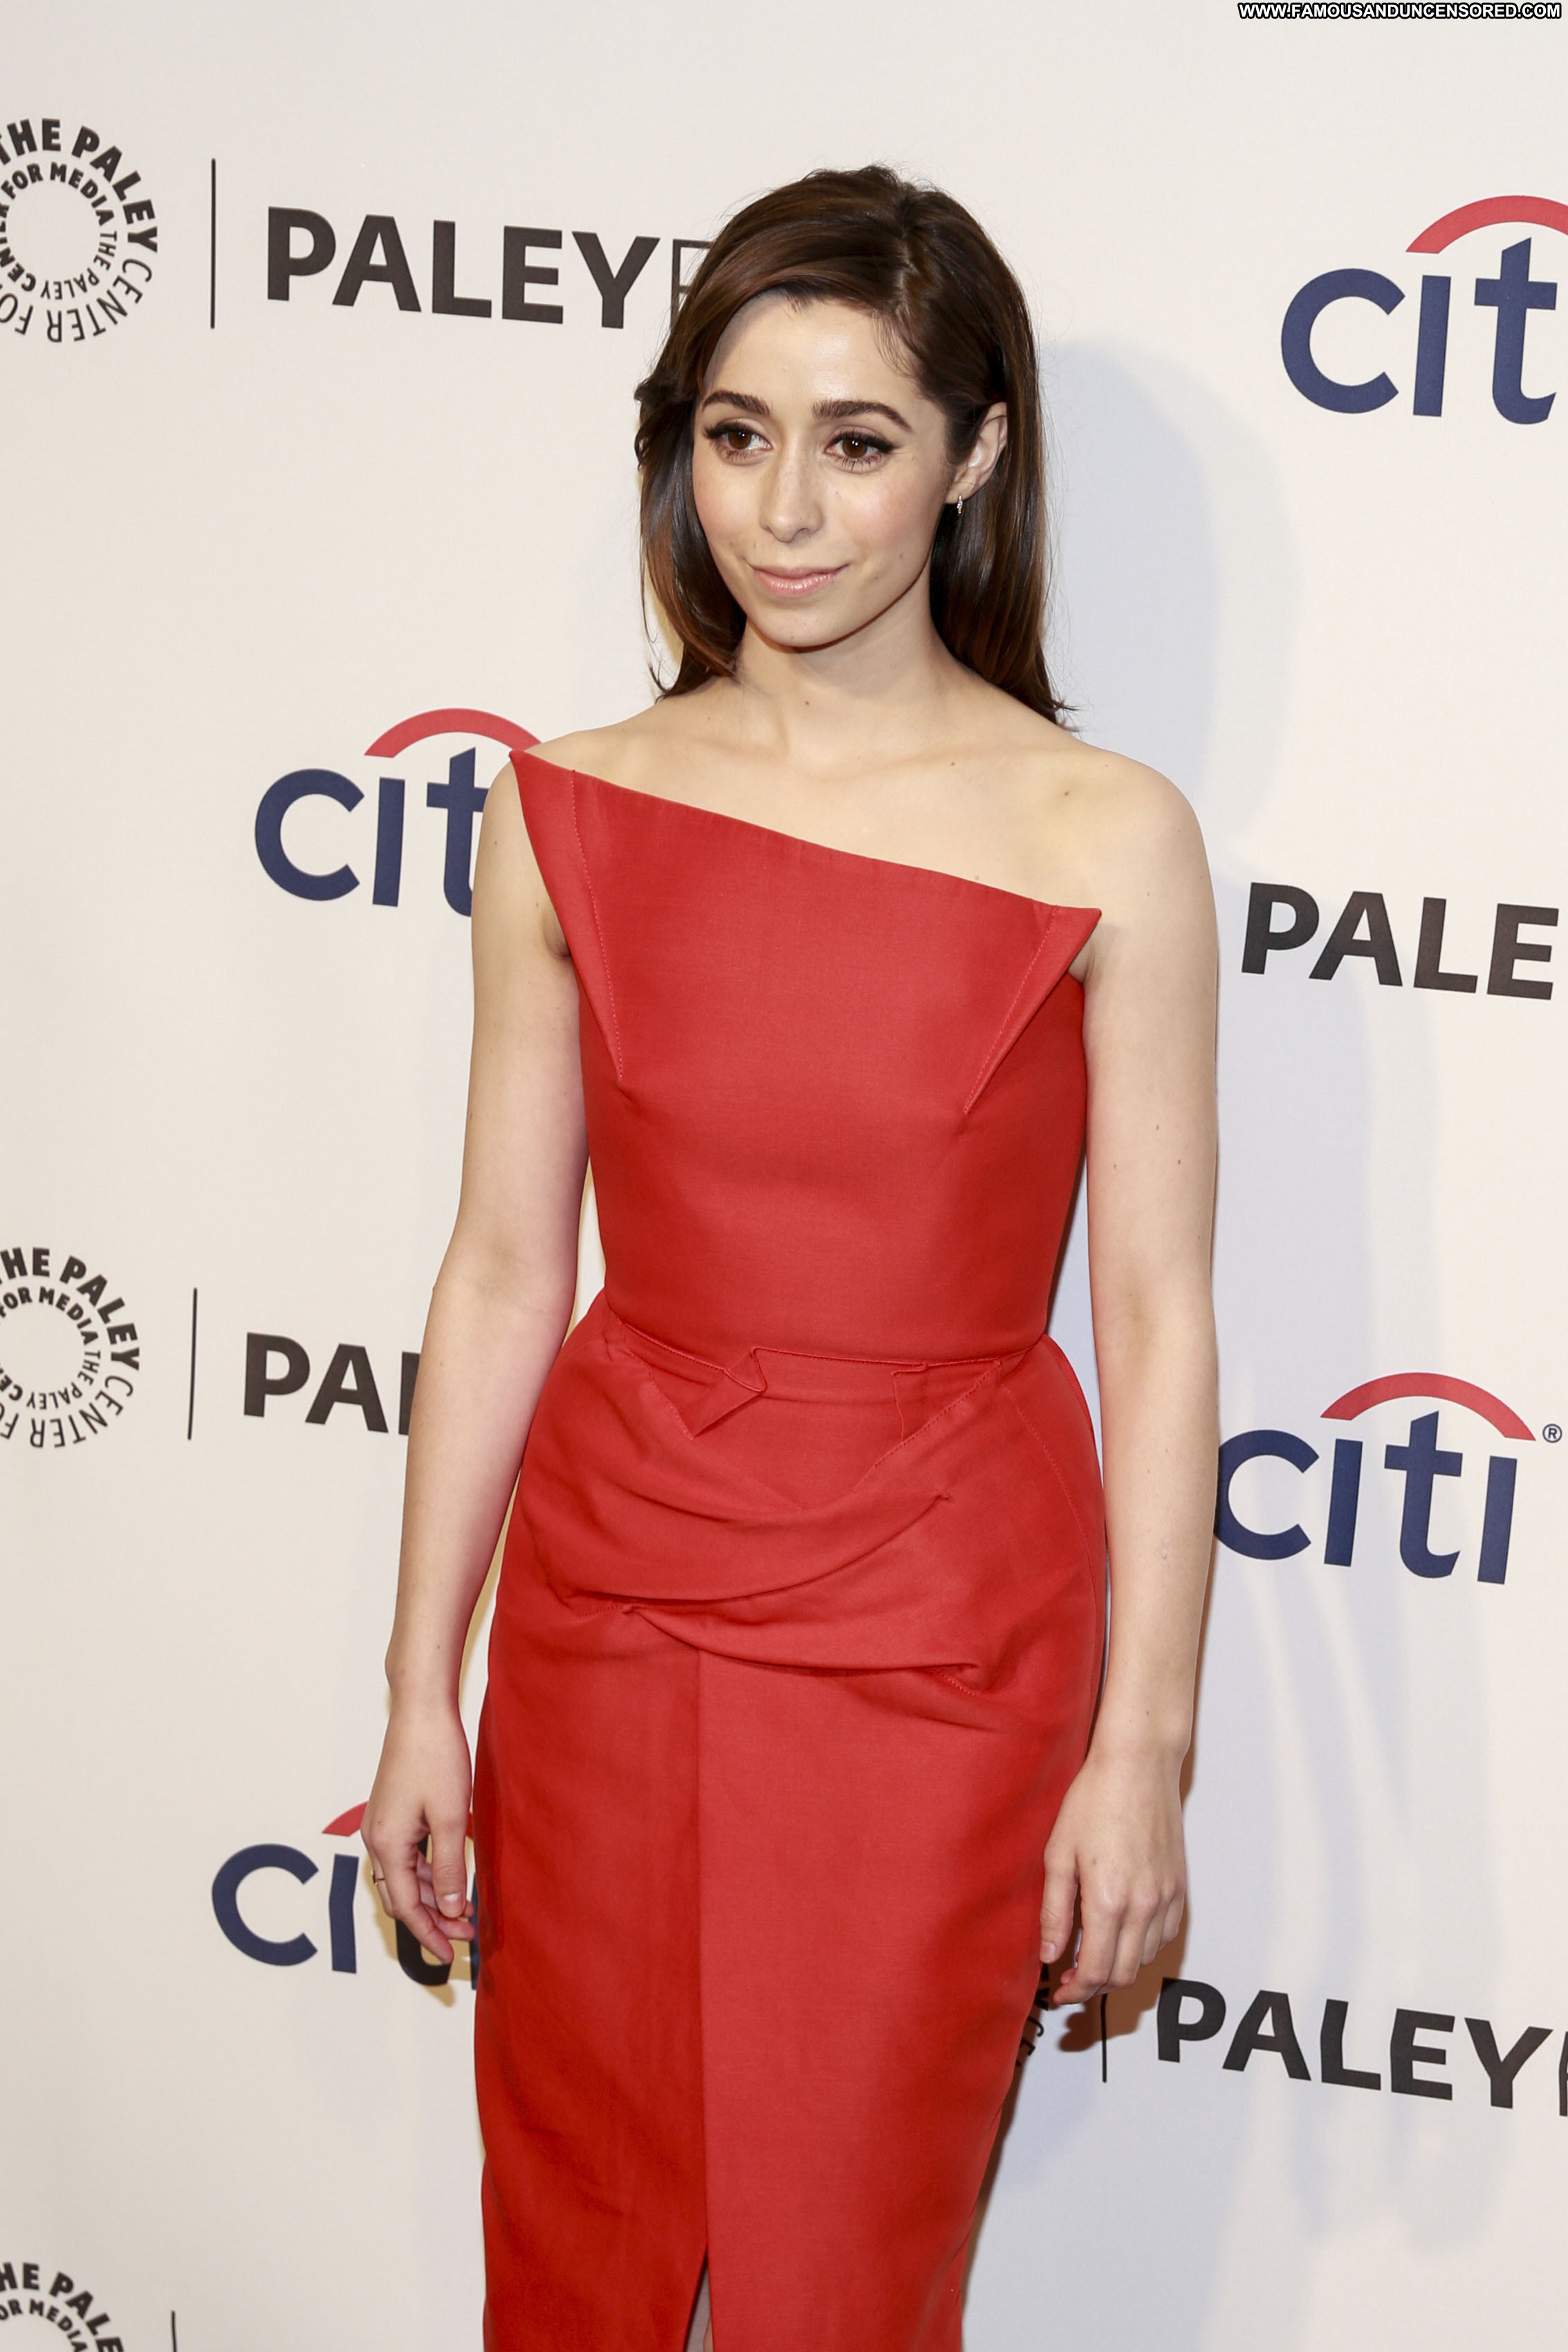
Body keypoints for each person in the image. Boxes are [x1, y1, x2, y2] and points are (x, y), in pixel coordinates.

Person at [362, 163, 1218, 2352]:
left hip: (941, 1631)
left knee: (845, 2278)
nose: (786, 511)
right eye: (736, 436)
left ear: (973, 457)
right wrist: (418, 1688)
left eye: (858, 442)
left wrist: (1143, 1747)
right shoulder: (563, 804)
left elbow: (1152, 1320)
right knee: (576, 2251)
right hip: (606, 1610)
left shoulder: (1102, 834)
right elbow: (498, 1271)